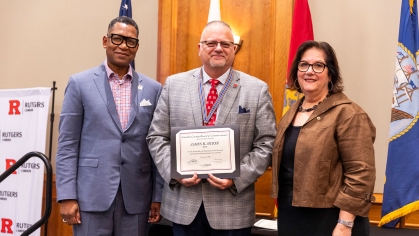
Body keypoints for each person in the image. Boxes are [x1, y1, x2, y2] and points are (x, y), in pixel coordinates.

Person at [146, 20, 276, 236]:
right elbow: (156, 136)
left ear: (234, 50)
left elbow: (267, 143)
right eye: (211, 43)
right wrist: (174, 172)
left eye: (225, 44)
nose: (218, 48)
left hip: (232, 209)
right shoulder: (173, 85)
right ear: (200, 48)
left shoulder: (257, 90)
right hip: (184, 206)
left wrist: (237, 177)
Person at [55, 16, 163, 236]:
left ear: (137, 47)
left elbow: (157, 145)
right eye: (117, 38)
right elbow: (67, 144)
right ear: (105, 41)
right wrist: (67, 195)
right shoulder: (80, 83)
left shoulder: (153, 89)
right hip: (91, 198)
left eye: (130, 41)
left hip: (137, 200)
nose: (123, 45)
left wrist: (157, 195)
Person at [271, 40, 376, 236]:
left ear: (330, 74)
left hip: (332, 220)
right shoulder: (291, 113)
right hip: (291, 215)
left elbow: (361, 174)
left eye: (318, 65)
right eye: (304, 65)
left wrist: (345, 224)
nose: (309, 71)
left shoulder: (349, 114)